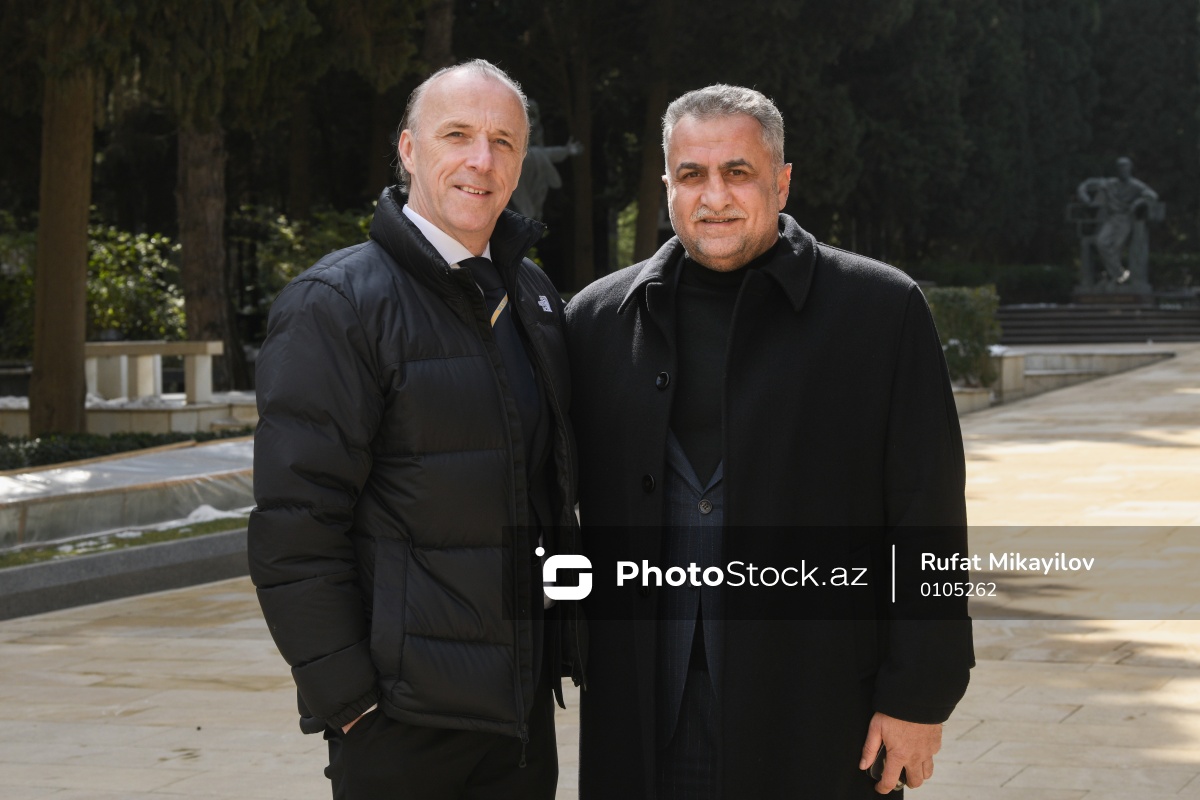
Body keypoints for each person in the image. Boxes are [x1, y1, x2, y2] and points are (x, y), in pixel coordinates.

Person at [565, 85, 974, 798]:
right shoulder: (596, 320)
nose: (714, 196)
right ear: (667, 186)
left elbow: (928, 515)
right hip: (642, 716)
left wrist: (920, 693)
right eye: (692, 174)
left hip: (818, 714)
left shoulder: (882, 311)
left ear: (781, 182)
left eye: (738, 172)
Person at [248, 59, 584, 800]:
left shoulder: (532, 295)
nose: (481, 159)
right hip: (400, 724)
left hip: (520, 719)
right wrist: (350, 704)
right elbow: (295, 525)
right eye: (457, 134)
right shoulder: (336, 303)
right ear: (407, 148)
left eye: (503, 141)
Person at [1076, 157, 1159, 285]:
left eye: (1125, 167)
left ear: (1130, 169)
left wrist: (1138, 201)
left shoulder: (1135, 185)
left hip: (1125, 219)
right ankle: (1119, 274)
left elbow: (1152, 195)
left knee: (1115, 247)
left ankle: (1114, 276)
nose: (1123, 170)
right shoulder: (1109, 183)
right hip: (1111, 219)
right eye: (1120, 168)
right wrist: (1084, 196)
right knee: (1101, 242)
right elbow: (1085, 184)